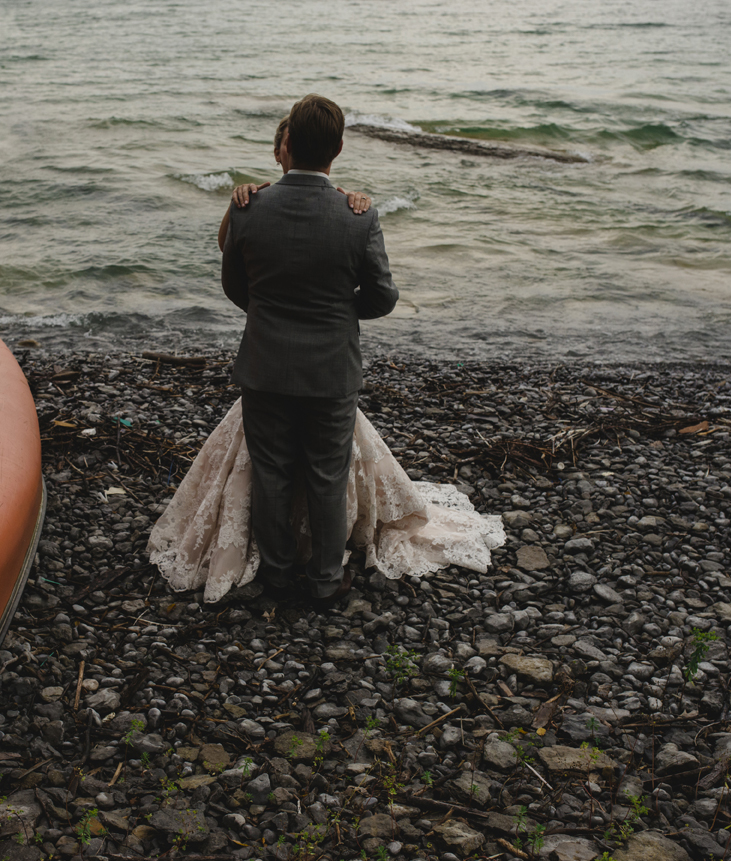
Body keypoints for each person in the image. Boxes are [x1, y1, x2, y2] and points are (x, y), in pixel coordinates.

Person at [148, 95, 506, 606]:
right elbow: (383, 297)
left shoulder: (249, 208)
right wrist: (334, 315)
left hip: (265, 363)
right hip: (332, 368)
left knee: (270, 472)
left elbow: (233, 286)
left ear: (286, 143)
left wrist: (275, 312)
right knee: (326, 472)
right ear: (338, 149)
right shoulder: (357, 216)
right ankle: (322, 580)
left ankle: (274, 577)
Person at [217, 115, 372, 252]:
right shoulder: (255, 201)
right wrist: (237, 204)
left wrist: (359, 206)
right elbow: (226, 246)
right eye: (295, 141)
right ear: (277, 153)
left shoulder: (340, 204)